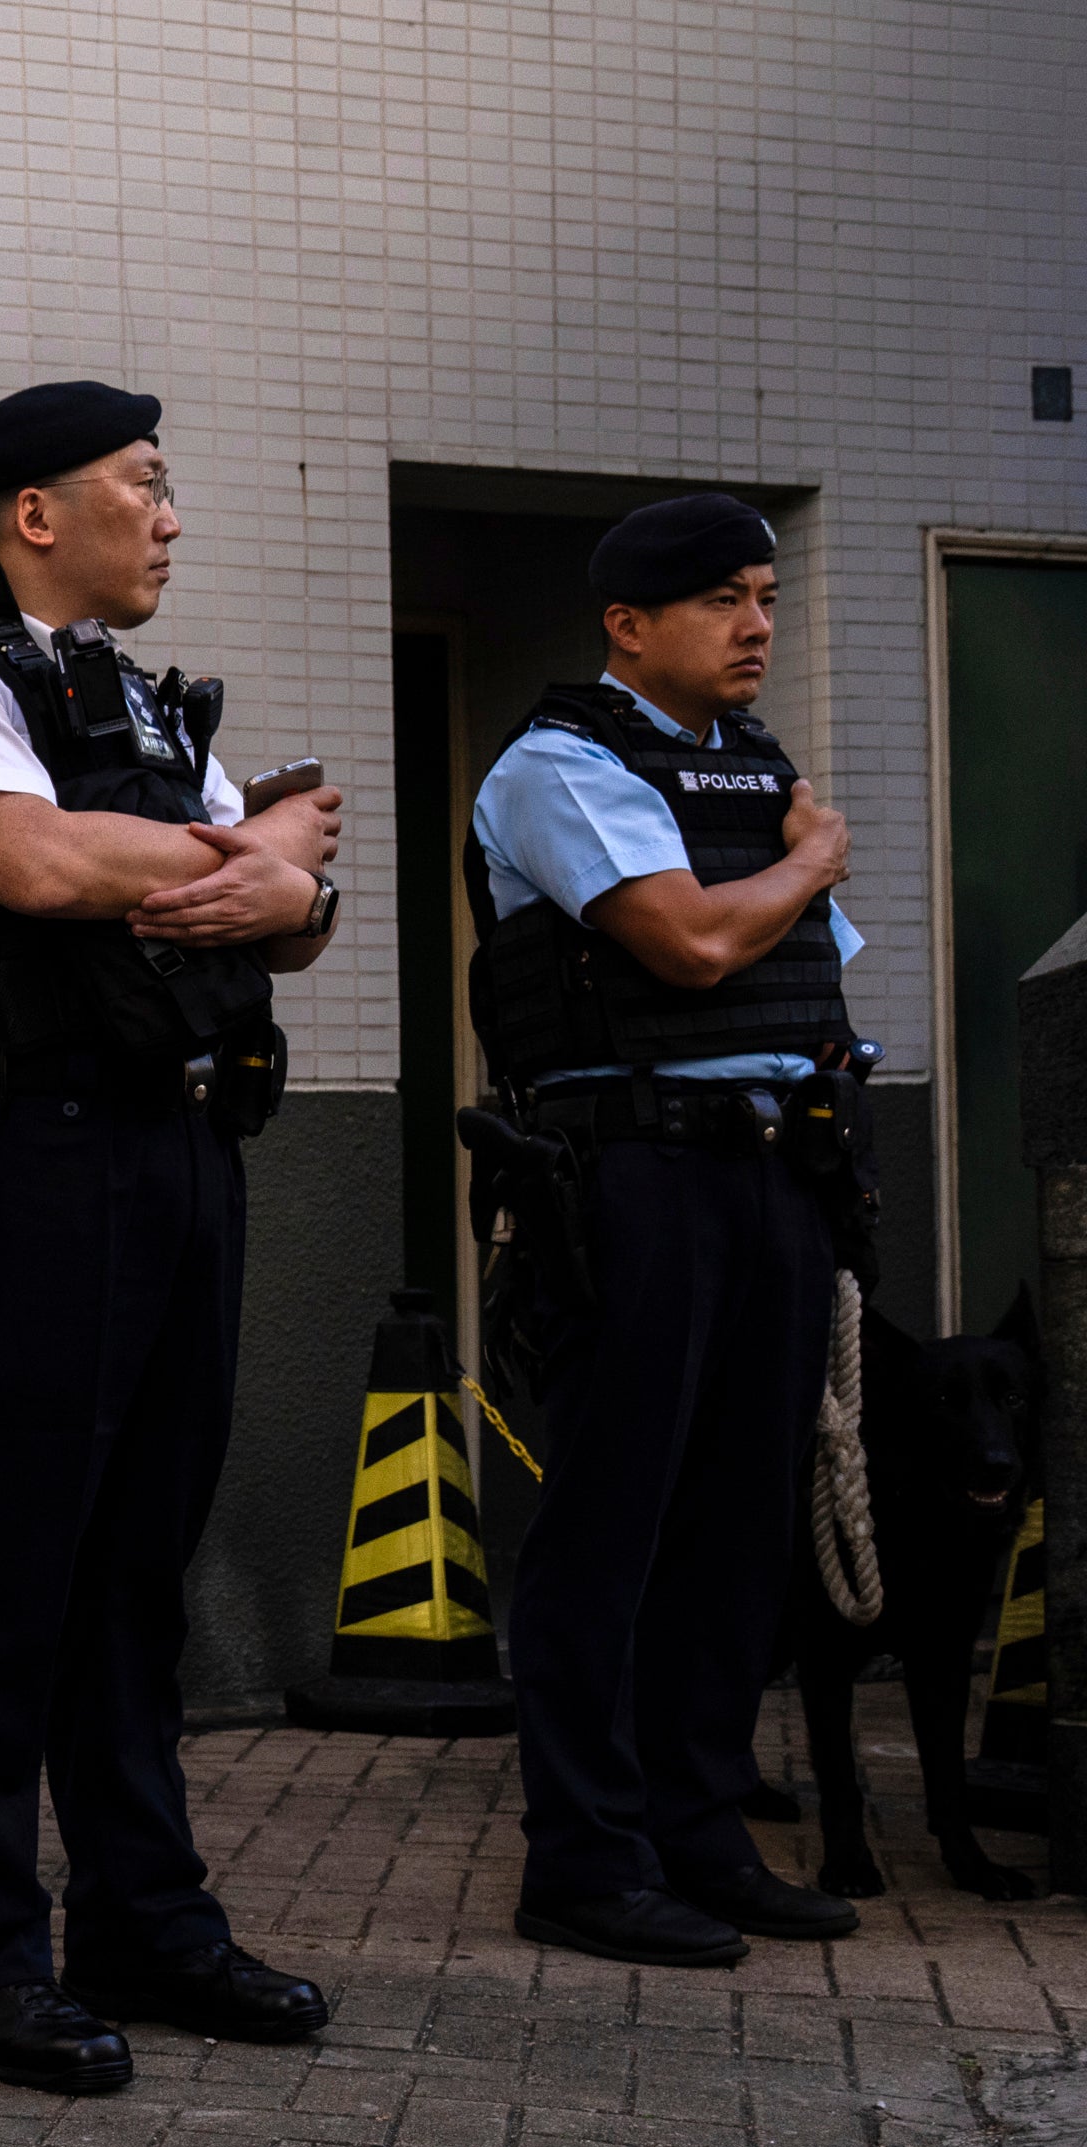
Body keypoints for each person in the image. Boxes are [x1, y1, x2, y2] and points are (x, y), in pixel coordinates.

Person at [0, 384, 348, 2094]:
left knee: (137, 1561)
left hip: (178, 1139)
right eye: (146, 486)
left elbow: (282, 918)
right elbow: (34, 861)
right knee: (15, 1562)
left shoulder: (130, 696)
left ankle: (148, 1921)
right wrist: (260, 854)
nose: (171, 518)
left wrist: (292, 884)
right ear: (35, 513)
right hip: (20, 1152)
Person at [465, 493, 866, 1965]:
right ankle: (583, 1858)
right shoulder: (560, 763)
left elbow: (799, 971)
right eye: (720, 601)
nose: (756, 625)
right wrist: (809, 863)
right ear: (628, 626)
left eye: (764, 597)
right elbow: (694, 941)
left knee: (739, 1522)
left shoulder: (753, 768)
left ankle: (700, 1832)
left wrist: (784, 886)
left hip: (771, 1167)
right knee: (611, 1520)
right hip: (632, 1176)